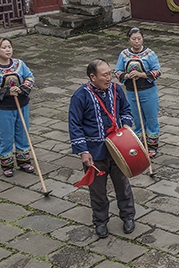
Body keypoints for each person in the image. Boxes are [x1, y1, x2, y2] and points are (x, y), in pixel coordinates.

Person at [69, 59, 136, 238]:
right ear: (93, 77)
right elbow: (74, 125)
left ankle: (128, 216)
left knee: (122, 184)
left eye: (110, 73)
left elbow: (126, 110)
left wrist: (127, 125)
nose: (109, 78)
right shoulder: (80, 96)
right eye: (104, 75)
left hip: (118, 148)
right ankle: (100, 221)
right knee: (97, 189)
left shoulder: (116, 90)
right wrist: (83, 151)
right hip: (94, 152)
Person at [0, 37, 36, 178]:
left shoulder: (19, 64)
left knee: (23, 132)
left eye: (9, 47)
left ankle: (24, 161)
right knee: (6, 136)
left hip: (21, 104)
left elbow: (30, 78)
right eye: (4, 47)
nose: (8, 50)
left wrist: (22, 88)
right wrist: (6, 92)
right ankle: (7, 164)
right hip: (4, 107)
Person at [114, 27, 162, 158]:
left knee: (151, 117)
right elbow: (117, 71)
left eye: (139, 39)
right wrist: (127, 75)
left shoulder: (149, 54)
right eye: (133, 39)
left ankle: (152, 146)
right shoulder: (124, 55)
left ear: (143, 39)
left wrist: (141, 74)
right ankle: (140, 143)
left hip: (148, 91)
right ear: (129, 40)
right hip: (131, 91)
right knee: (136, 118)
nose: (136, 42)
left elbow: (157, 71)